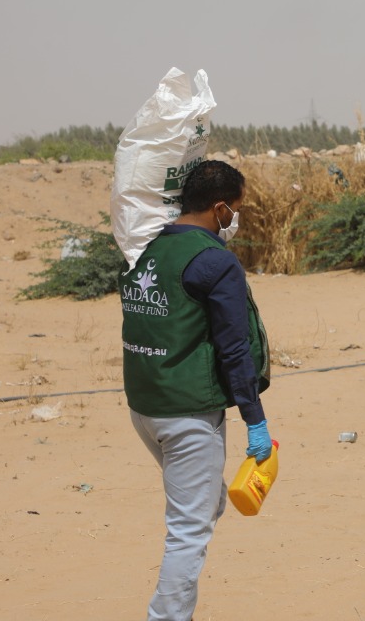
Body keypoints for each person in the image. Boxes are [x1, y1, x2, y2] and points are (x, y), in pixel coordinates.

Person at [119, 159, 273, 621]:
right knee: (188, 531)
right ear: (220, 208)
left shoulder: (145, 250)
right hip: (188, 415)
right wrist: (255, 420)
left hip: (147, 408)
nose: (236, 220)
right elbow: (234, 348)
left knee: (204, 505)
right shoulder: (214, 262)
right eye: (236, 210)